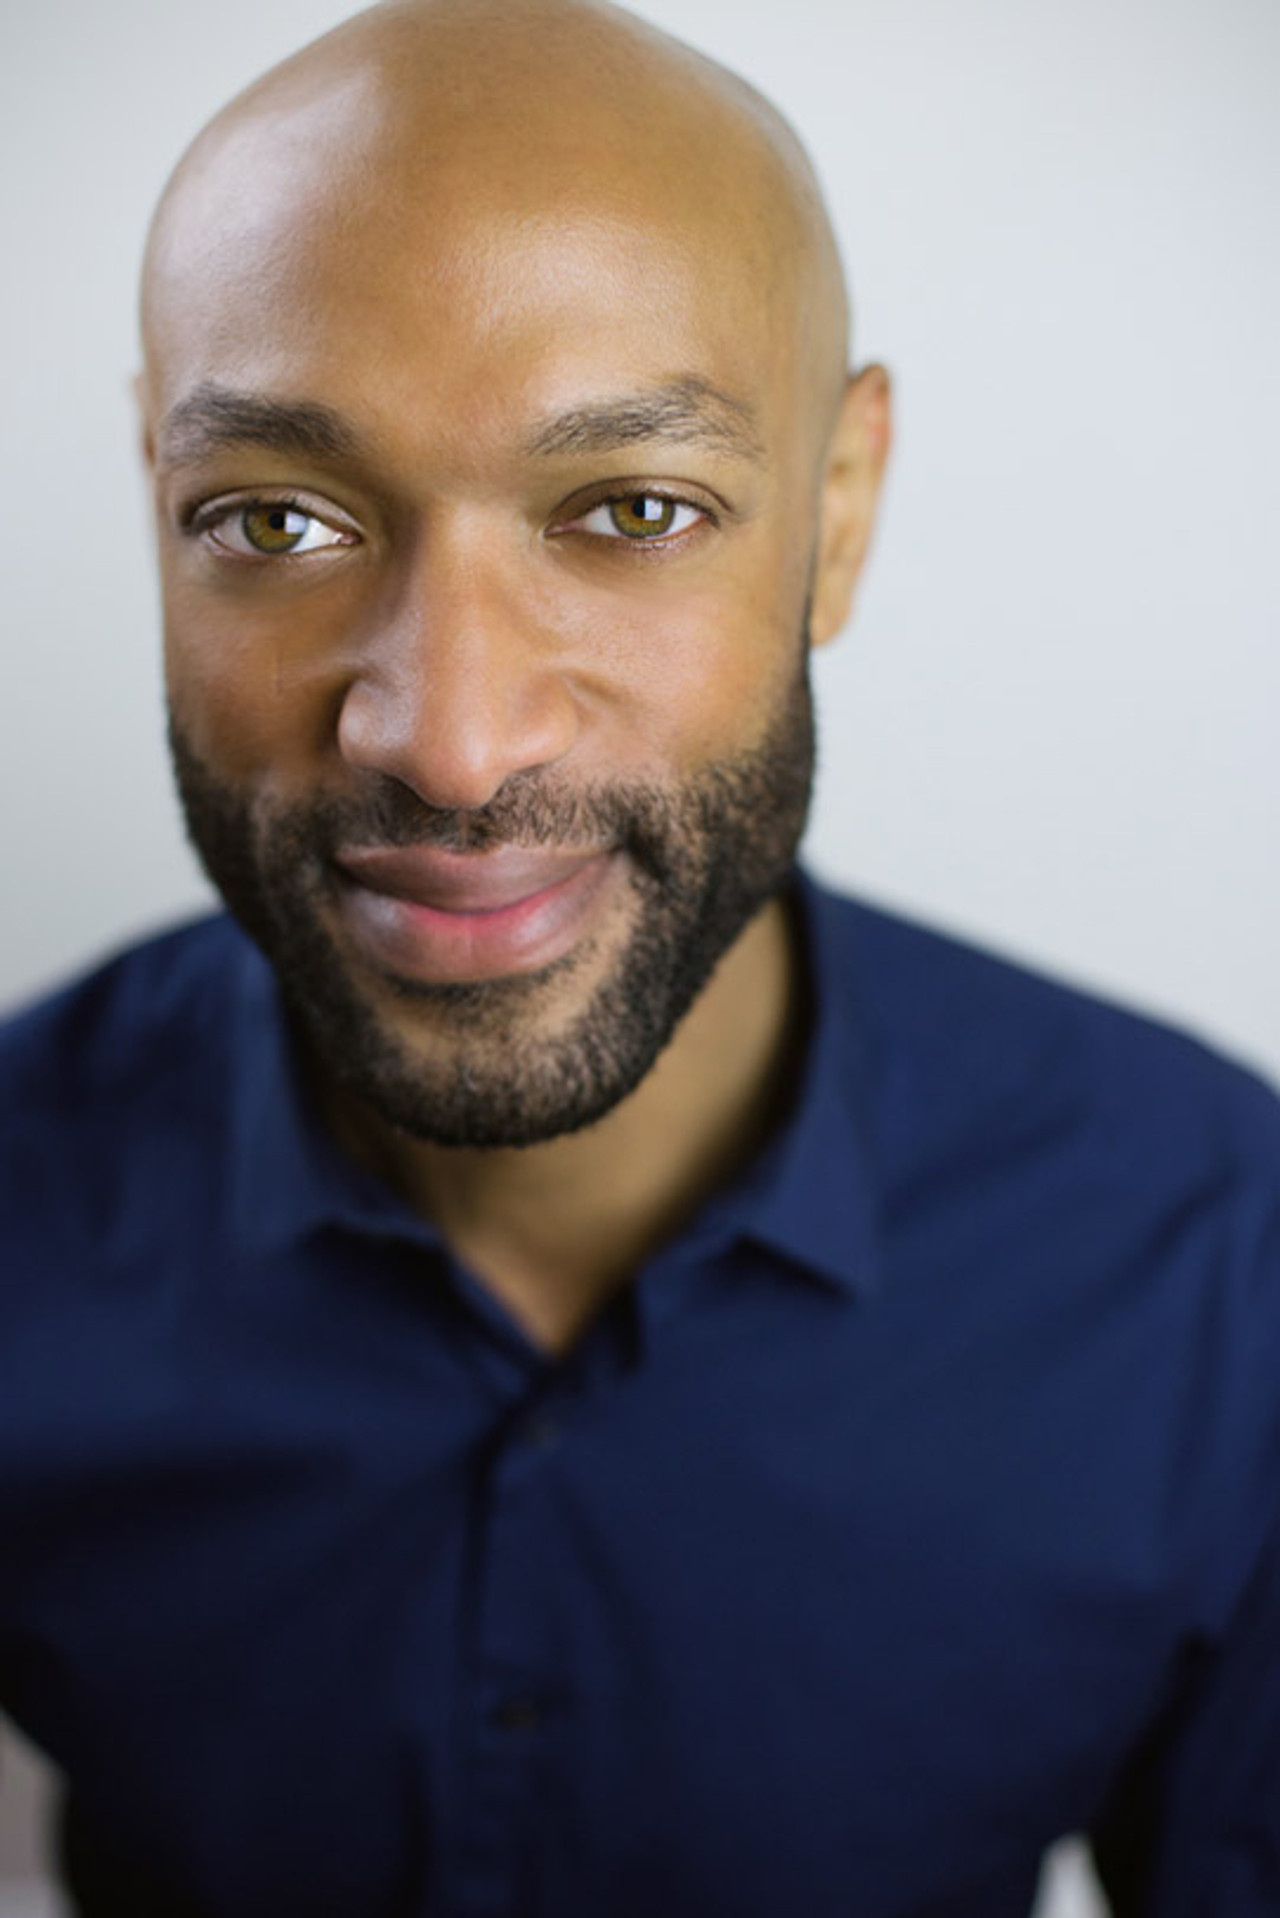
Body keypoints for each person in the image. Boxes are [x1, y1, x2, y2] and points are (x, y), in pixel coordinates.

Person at [1, 0, 1276, 1912]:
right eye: (274, 517)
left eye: (634, 510)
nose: (452, 739)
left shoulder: (1214, 1258)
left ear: (836, 514)